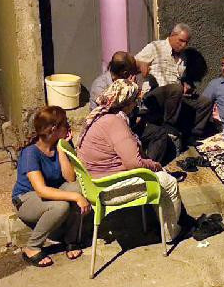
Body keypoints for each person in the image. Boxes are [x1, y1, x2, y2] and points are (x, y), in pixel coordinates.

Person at [77, 79, 194, 242]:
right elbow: (134, 163)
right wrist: (154, 165)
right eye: (134, 101)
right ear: (126, 103)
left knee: (160, 175)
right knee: (169, 182)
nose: (135, 105)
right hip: (106, 188)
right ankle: (172, 232)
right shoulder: (114, 122)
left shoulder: (101, 116)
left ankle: (163, 221)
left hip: (96, 182)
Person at [12, 106, 91, 267]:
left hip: (51, 193)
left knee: (78, 187)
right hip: (27, 199)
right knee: (61, 206)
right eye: (65, 124)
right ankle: (32, 247)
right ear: (54, 129)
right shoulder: (31, 153)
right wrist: (76, 197)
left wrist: (62, 149)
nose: (68, 127)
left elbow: (70, 179)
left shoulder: (59, 146)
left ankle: (71, 240)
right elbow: (41, 190)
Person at [135, 23, 212, 142]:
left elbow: (181, 78)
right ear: (172, 35)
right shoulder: (155, 47)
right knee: (176, 89)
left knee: (205, 102)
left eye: (186, 42)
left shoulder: (183, 57)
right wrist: (141, 64)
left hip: (176, 95)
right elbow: (134, 62)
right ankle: (169, 126)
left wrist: (186, 85)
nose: (183, 45)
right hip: (156, 94)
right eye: (181, 41)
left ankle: (193, 135)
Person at [89, 51, 168, 164]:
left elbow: (137, 109)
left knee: (159, 132)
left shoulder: (126, 82)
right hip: (110, 132)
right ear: (125, 73)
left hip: (127, 125)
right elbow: (113, 117)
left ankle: (149, 165)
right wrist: (130, 93)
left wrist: (135, 93)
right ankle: (142, 166)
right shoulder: (101, 87)